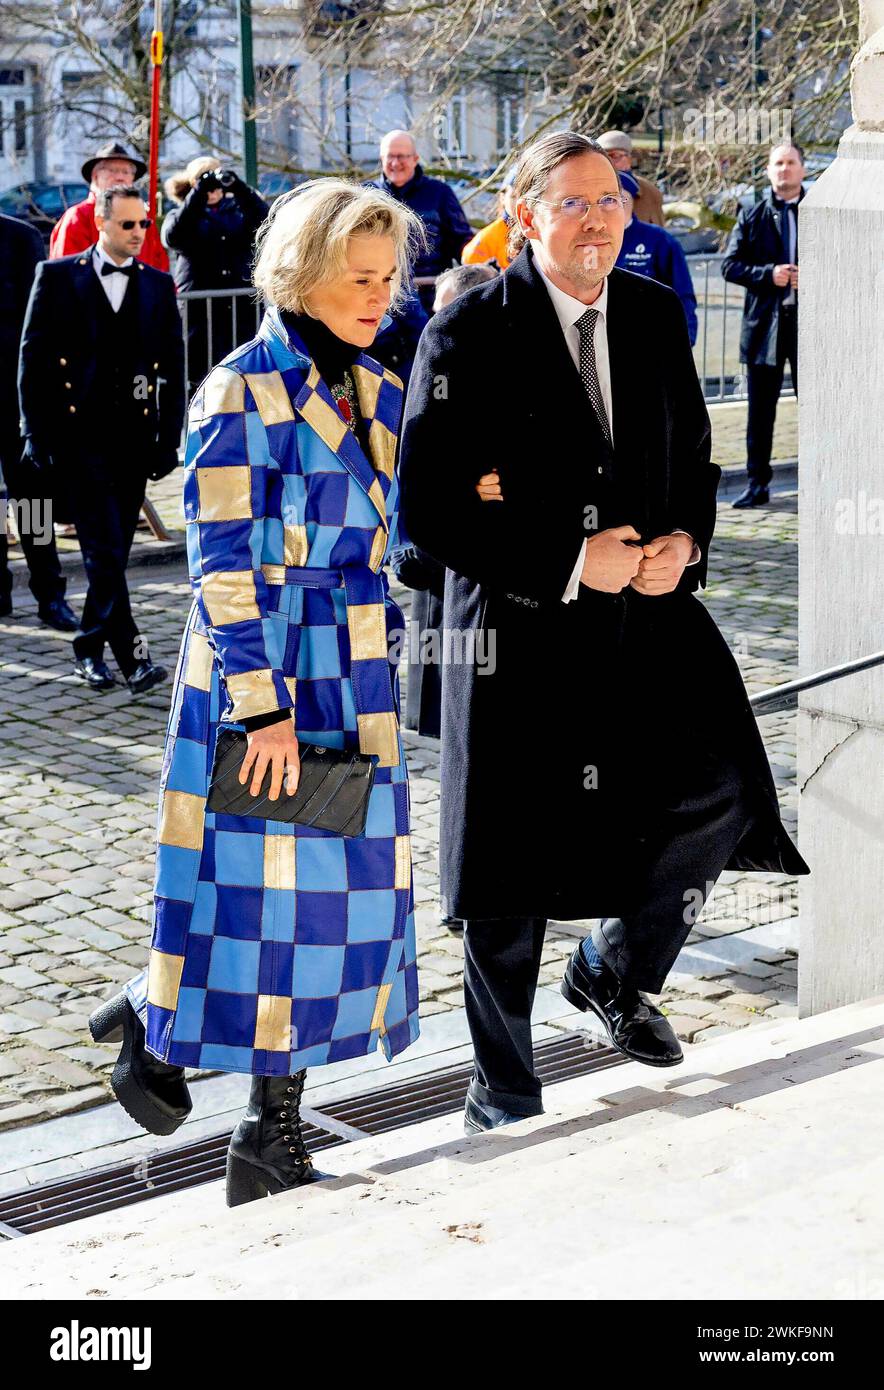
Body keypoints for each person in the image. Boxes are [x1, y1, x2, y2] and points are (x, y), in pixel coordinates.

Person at [400, 131, 808, 1136]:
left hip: (644, 618)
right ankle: (501, 1085)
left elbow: (694, 463)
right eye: (574, 201)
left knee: (715, 789)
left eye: (611, 199)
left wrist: (684, 541)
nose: (597, 217)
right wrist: (573, 559)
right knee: (505, 868)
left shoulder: (657, 312)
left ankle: (615, 968)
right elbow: (433, 510)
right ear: (525, 212)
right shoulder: (464, 335)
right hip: (513, 630)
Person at [90, 178, 424, 1207]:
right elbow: (219, 559)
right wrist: (259, 701)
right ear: (307, 272)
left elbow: (388, 532)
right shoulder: (237, 390)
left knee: (330, 901)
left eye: (387, 278)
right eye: (359, 278)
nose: (379, 296)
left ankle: (157, 1022)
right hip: (265, 667)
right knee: (274, 901)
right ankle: (261, 1127)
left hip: (352, 664)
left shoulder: (378, 388)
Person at [18, 185, 184, 693]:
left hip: (132, 441)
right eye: (128, 225)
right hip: (76, 439)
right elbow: (32, 358)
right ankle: (134, 660)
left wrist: (167, 439)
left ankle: (90, 646)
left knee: (111, 552)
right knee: (102, 552)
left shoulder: (158, 285)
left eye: (144, 225)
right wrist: (34, 431)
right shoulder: (58, 276)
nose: (138, 234)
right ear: (101, 223)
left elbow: (173, 370)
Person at [0, 213, 77, 629]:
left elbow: (43, 322)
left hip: (18, 397)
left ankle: (50, 595)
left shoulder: (21, 237)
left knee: (30, 500)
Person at [722, 142, 804, 508]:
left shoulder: (820, 211)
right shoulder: (752, 214)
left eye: (790, 163)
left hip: (809, 329)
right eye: (778, 164)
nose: (784, 169)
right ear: (769, 171)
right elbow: (730, 265)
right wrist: (768, 274)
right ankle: (758, 484)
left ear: (802, 169)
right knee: (760, 412)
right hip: (763, 329)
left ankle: (817, 477)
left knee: (815, 408)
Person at [162, 156, 269, 395]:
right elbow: (173, 237)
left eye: (215, 180)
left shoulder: (239, 212)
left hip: (241, 310)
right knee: (200, 377)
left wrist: (238, 187)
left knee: (246, 375)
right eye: (202, 181)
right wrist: (198, 194)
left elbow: (267, 223)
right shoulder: (182, 215)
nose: (212, 189)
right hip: (200, 314)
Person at [369, 130, 473, 313]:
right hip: (382, 300)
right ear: (381, 158)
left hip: (431, 298)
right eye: (390, 156)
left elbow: (462, 243)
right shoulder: (367, 196)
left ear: (415, 158)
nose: (395, 163)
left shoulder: (440, 193)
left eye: (401, 157)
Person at [49, 140, 168, 272]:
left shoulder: (142, 220)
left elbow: (159, 268)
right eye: (112, 171)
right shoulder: (77, 217)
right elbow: (65, 273)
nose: (120, 177)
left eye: (126, 172)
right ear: (95, 177)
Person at [615, 170, 698, 344]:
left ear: (631, 200)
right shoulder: (591, 241)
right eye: (607, 200)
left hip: (652, 339)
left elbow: (682, 294)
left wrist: (685, 339)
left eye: (619, 198)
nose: (614, 206)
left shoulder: (659, 240)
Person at [597, 129, 665, 226]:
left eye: (614, 156)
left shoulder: (649, 192)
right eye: (603, 157)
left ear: (628, 159)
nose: (608, 162)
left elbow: (659, 233)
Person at [461, 182, 517, 270]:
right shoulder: (486, 240)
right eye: (514, 196)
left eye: (527, 197)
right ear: (502, 198)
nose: (521, 202)